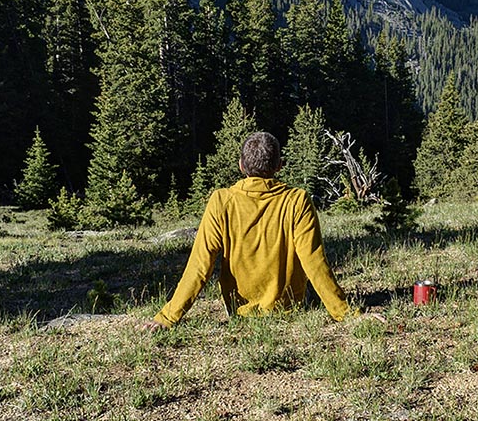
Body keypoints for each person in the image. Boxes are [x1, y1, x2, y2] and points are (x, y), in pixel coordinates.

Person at [143, 131, 352, 330]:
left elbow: (200, 265)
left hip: (239, 313)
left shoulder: (222, 201)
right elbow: (314, 260)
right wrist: (345, 313)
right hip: (289, 310)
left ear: (241, 165)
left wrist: (168, 317)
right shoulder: (297, 200)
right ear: (279, 166)